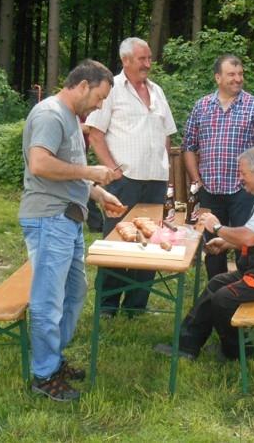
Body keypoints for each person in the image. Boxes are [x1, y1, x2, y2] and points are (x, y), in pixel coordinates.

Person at [19, 60, 126, 401]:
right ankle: (44, 374)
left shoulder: (70, 119)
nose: (100, 105)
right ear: (82, 86)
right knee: (48, 302)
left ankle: (53, 358)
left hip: (68, 220)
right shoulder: (50, 115)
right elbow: (40, 164)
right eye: (99, 97)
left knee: (75, 293)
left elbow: (68, 173)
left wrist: (98, 193)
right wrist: (91, 171)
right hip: (49, 219)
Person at [155, 147, 254, 360]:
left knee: (224, 299)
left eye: (243, 173)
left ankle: (237, 353)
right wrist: (227, 243)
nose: (240, 179)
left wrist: (217, 228)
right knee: (216, 284)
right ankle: (186, 346)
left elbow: (249, 238)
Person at [86, 37, 177, 316]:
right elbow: (95, 134)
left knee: (149, 240)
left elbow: (166, 135)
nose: (148, 64)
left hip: (156, 181)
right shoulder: (112, 90)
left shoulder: (157, 91)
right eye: (142, 59)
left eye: (149, 58)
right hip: (124, 181)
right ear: (125, 60)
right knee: (117, 239)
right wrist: (113, 171)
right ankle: (107, 304)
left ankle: (137, 305)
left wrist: (165, 169)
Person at [182, 54, 254, 280]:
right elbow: (189, 146)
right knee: (213, 247)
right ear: (218, 77)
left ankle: (246, 288)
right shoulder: (202, 106)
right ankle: (217, 290)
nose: (238, 78)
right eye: (231, 74)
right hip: (209, 190)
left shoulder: (253, 105)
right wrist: (196, 181)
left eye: (240, 74)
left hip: (243, 191)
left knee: (246, 245)